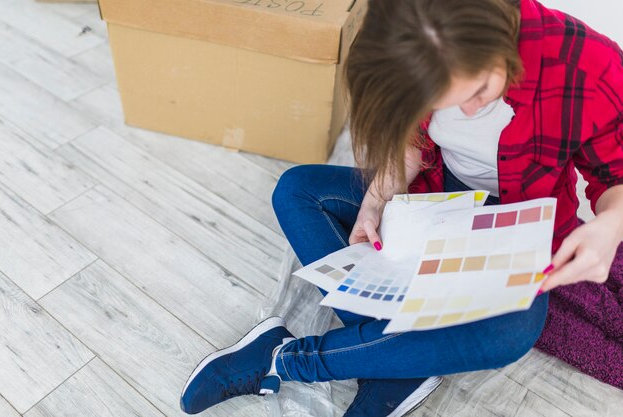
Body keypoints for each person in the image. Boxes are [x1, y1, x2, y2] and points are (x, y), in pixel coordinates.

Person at [179, 0, 623, 415]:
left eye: (482, 90)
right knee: (297, 189)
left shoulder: (590, 66)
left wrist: (610, 226)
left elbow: (616, 179)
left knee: (509, 334)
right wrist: (374, 203)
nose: (469, 112)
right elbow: (413, 145)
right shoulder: (409, 43)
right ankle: (400, 365)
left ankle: (287, 361)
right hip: (432, 198)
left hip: (513, 222)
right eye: (448, 103)